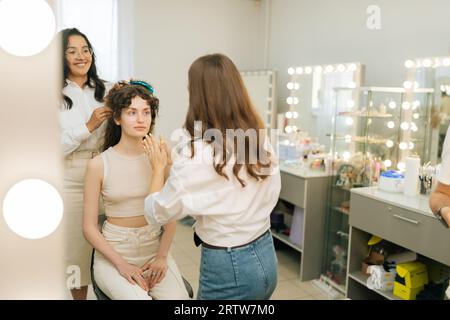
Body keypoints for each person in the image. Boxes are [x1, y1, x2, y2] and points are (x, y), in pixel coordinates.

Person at [142, 53, 281, 300]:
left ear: (198, 96)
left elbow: (158, 213)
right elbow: (225, 179)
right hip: (265, 253)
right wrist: (179, 160)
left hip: (231, 266)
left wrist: (158, 168)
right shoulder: (258, 139)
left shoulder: (197, 155)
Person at [83, 81, 189, 300]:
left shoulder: (160, 155)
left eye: (146, 112)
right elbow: (89, 228)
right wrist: (122, 265)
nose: (141, 119)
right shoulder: (99, 164)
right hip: (115, 253)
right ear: (117, 118)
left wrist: (162, 256)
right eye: (132, 112)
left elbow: (170, 213)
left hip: (154, 249)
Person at [59, 28, 113, 300]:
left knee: (113, 250)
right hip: (70, 182)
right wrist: (88, 126)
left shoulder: (107, 89)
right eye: (72, 51)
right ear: (60, 57)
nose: (81, 56)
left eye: (85, 49)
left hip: (107, 176)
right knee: (77, 259)